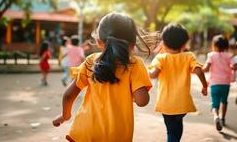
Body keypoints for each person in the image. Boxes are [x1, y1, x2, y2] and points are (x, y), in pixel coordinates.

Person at [52, 13, 152, 142]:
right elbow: (142, 101)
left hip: (86, 130)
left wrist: (65, 116)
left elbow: (69, 95)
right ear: (132, 44)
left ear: (99, 41)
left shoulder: (91, 61)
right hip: (116, 134)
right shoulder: (135, 64)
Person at [149, 23, 208, 142]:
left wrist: (146, 72)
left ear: (163, 43)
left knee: (170, 130)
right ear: (184, 44)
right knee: (178, 124)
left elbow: (153, 75)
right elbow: (199, 71)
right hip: (182, 104)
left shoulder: (161, 58)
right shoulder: (189, 56)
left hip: (166, 104)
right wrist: (205, 86)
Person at [202, 35, 237, 131]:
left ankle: (216, 117)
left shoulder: (211, 55)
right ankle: (223, 119)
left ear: (214, 45)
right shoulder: (229, 55)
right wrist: (233, 68)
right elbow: (235, 66)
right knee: (224, 101)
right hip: (226, 83)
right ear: (226, 46)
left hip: (214, 84)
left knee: (214, 104)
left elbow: (206, 68)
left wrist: (199, 68)